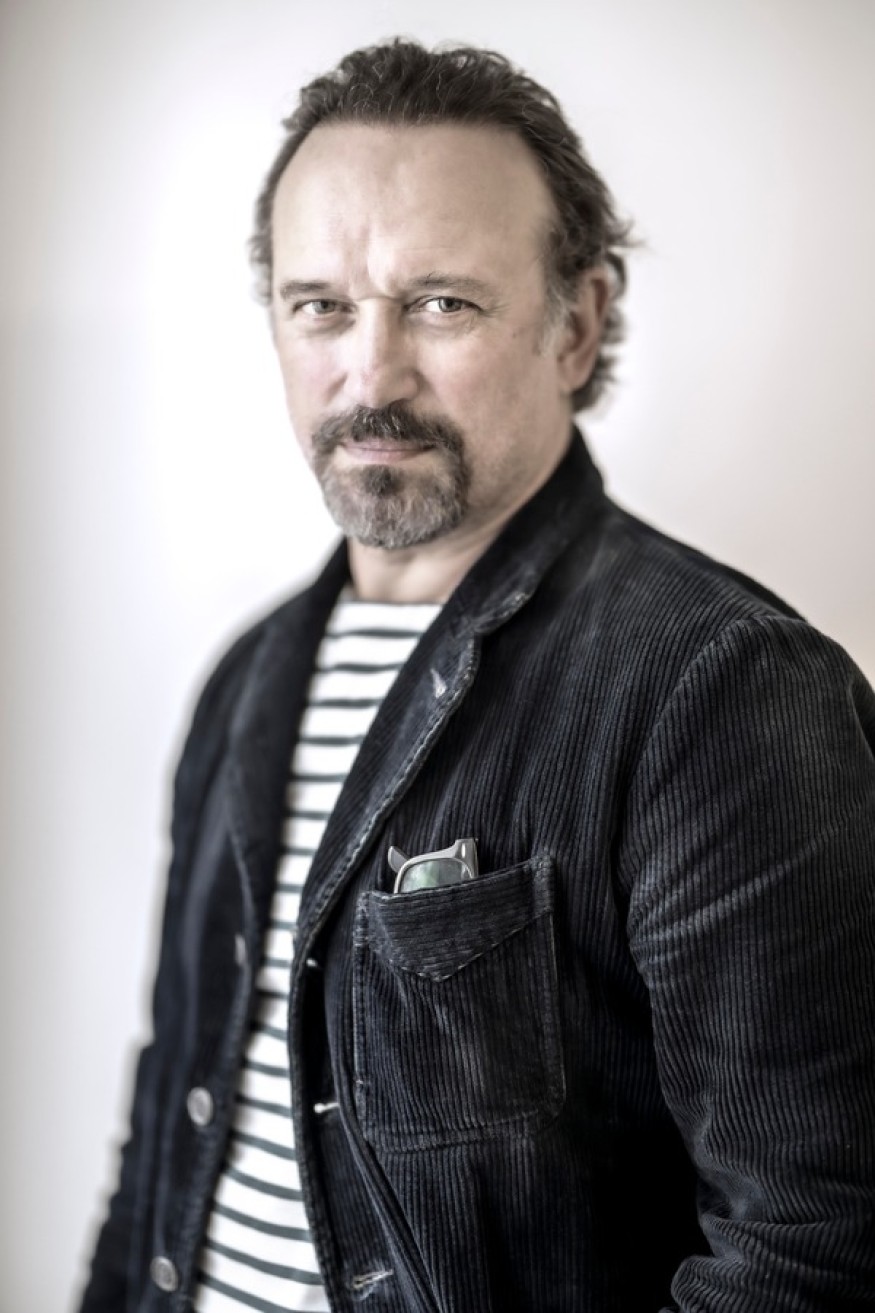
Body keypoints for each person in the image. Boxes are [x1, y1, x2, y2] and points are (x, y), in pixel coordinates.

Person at [78, 39, 875, 1313]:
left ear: (578, 324)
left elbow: (813, 1250)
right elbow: (165, 1132)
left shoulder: (720, 690)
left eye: (440, 302)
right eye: (319, 304)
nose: (370, 374)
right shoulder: (242, 684)